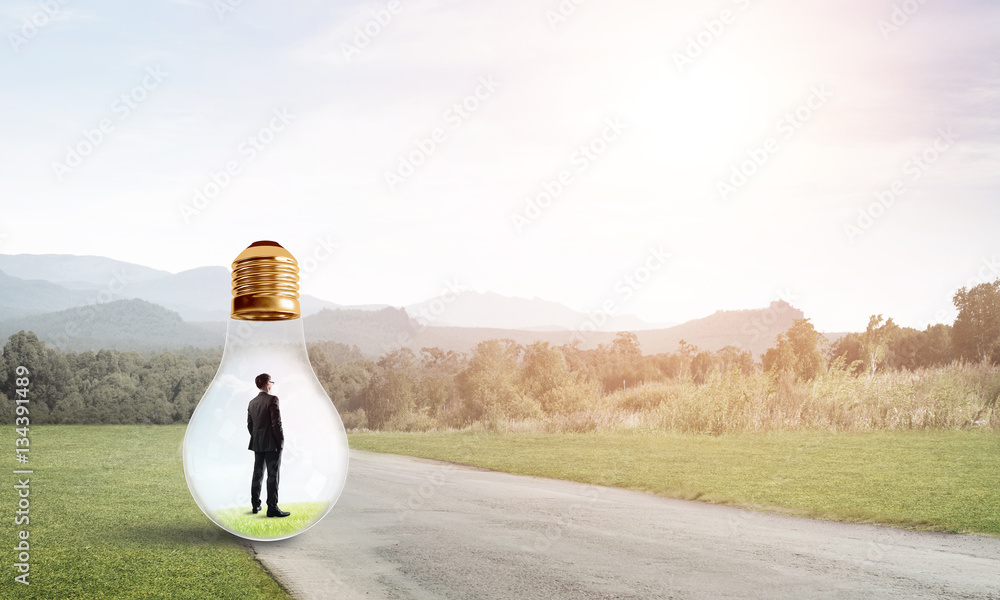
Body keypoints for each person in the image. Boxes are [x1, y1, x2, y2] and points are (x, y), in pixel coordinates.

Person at [247, 373, 290, 517]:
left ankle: (255, 505)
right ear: (267, 383)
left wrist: (257, 437)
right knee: (273, 475)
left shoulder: (252, 402)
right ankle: (272, 507)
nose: (271, 384)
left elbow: (250, 425)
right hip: (272, 444)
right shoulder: (273, 399)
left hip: (257, 443)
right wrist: (281, 441)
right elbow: (276, 423)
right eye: (271, 382)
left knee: (257, 474)